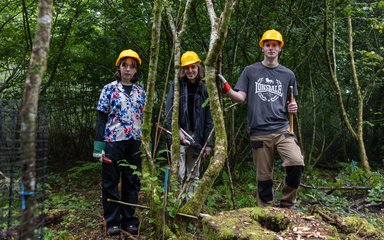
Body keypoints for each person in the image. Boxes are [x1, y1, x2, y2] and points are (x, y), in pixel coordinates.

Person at [218, 29, 304, 209]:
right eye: (268, 45)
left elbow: (292, 102)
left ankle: (288, 203)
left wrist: (293, 108)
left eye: (275, 45)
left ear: (280, 49)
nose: (271, 48)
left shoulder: (288, 74)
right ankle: (267, 210)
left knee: (296, 162)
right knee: (264, 177)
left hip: (283, 129)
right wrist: (226, 88)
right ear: (262, 48)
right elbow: (240, 97)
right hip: (259, 131)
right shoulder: (250, 71)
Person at [93, 49, 146, 236]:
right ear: (119, 67)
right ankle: (112, 221)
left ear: (136, 69)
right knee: (110, 182)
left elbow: (145, 119)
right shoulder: (109, 89)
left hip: (134, 142)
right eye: (125, 65)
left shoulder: (141, 92)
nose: (128, 69)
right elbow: (101, 118)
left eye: (132, 66)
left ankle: (130, 220)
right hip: (113, 141)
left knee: (132, 181)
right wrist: (98, 147)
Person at [165, 51, 214, 201]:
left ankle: (190, 205)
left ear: (198, 67)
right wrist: (176, 131)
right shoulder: (177, 86)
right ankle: (176, 204)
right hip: (179, 136)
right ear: (182, 70)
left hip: (197, 139)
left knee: (194, 174)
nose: (190, 71)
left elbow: (210, 119)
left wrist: (208, 143)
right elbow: (169, 112)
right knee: (178, 173)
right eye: (186, 68)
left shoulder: (204, 88)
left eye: (193, 67)